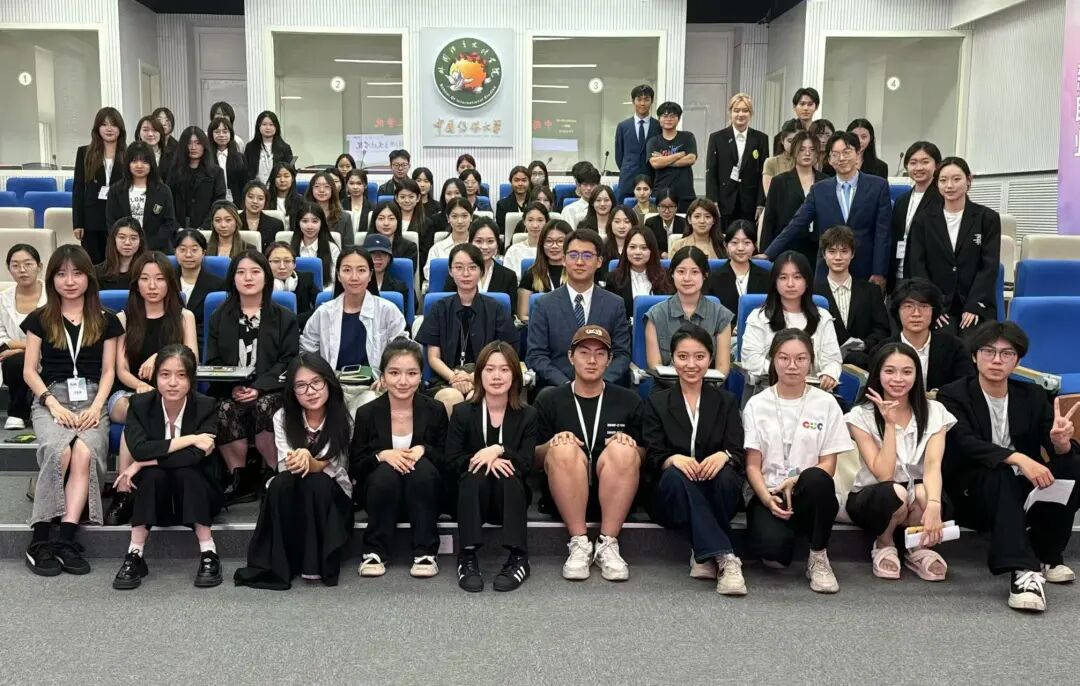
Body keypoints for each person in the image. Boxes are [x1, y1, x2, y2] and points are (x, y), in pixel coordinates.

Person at [938, 321, 1080, 612]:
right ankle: (1022, 571)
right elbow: (964, 442)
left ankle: (1047, 552)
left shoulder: (1032, 395)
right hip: (971, 491)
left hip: (1021, 487)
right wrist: (1018, 458)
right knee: (1001, 473)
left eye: (1007, 354)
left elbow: (1055, 444)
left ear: (1017, 361)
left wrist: (1061, 443)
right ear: (975, 356)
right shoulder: (953, 395)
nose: (997, 360)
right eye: (988, 352)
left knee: (1072, 465)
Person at [22, 245, 125, 576]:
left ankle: (65, 539)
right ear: (52, 278)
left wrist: (97, 407)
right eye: (62, 274)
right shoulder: (40, 318)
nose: (69, 281)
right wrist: (51, 403)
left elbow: (108, 371)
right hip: (52, 397)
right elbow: (29, 371)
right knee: (59, 451)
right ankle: (39, 539)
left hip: (93, 398)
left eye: (77, 273)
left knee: (84, 453)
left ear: (89, 277)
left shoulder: (107, 320)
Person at [233, 353, 355, 589]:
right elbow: (287, 463)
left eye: (316, 382)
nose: (310, 391)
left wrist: (308, 458)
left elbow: (328, 463)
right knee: (280, 483)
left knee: (318, 481)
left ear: (328, 382)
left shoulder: (343, 417)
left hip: (332, 493)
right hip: (295, 482)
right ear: (292, 391)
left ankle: (317, 563)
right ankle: (280, 564)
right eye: (301, 386)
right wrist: (302, 458)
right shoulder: (282, 417)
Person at [742, 328, 849, 592]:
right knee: (773, 554)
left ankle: (819, 556)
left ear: (811, 362)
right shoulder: (757, 404)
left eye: (801, 359)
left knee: (817, 478)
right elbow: (752, 465)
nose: (792, 366)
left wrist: (796, 479)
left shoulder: (826, 403)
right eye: (784, 358)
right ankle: (790, 532)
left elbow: (829, 465)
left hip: (808, 490)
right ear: (773, 360)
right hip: (771, 492)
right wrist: (767, 499)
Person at [534, 324, 644, 580]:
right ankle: (579, 542)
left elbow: (646, 455)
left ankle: (608, 543)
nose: (592, 360)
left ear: (610, 360)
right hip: (564, 499)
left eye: (600, 354)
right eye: (584, 353)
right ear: (571, 357)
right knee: (563, 447)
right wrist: (552, 445)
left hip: (616, 497)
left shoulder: (629, 401)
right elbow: (533, 458)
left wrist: (629, 444)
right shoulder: (548, 399)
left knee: (624, 448)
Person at [645, 324, 747, 593]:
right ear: (672, 358)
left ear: (710, 359)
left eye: (699, 357)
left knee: (726, 474)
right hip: (673, 495)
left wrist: (723, 455)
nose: (691, 364)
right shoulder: (656, 402)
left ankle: (702, 554)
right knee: (674, 476)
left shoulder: (726, 401)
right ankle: (725, 556)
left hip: (716, 490)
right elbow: (652, 456)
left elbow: (738, 452)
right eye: (683, 357)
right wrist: (672, 459)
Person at [110, 345, 222, 589]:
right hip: (155, 497)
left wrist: (141, 463)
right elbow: (140, 449)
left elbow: (194, 457)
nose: (172, 383)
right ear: (155, 377)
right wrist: (191, 438)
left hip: (197, 495)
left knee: (187, 471)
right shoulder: (139, 404)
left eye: (181, 375)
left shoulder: (206, 405)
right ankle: (135, 554)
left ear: (191, 379)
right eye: (165, 374)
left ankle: (208, 552)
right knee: (153, 475)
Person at [844, 342, 956, 581]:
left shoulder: (935, 411)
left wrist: (934, 504)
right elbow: (883, 474)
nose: (898, 379)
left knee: (925, 492)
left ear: (917, 375)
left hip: (917, 492)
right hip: (875, 496)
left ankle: (919, 547)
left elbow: (933, 465)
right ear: (877, 374)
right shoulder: (860, 415)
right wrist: (890, 424)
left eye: (907, 372)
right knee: (895, 492)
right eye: (889, 371)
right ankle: (884, 543)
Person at [103, 253, 198, 526]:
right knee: (136, 406)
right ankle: (124, 492)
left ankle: (129, 490)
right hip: (128, 393)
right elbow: (121, 370)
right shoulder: (123, 318)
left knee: (143, 409)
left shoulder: (184, 316)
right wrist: (141, 386)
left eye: (159, 279)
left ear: (170, 282)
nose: (152, 285)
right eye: (145, 279)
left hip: (172, 393)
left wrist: (160, 357)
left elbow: (191, 358)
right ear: (136, 283)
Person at [206, 250, 299, 504]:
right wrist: (234, 387)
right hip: (230, 390)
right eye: (241, 272)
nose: (248, 278)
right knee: (224, 408)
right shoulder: (218, 317)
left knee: (264, 406)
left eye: (255, 272)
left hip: (271, 390)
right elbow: (213, 363)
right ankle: (240, 477)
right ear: (232, 278)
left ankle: (274, 473)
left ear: (266, 277)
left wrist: (258, 388)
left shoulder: (285, 318)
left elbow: (288, 361)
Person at [350, 339, 447, 578]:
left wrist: (423, 450)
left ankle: (426, 552)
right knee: (385, 473)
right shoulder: (367, 413)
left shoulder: (435, 410)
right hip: (381, 496)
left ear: (421, 376)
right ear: (383, 376)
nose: (403, 381)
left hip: (424, 496)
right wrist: (381, 455)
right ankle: (374, 551)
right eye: (394, 373)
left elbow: (448, 461)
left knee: (421, 469)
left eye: (411, 373)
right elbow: (356, 466)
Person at [448, 342, 537, 592]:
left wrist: (499, 450)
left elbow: (526, 464)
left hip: (508, 498)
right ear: (479, 375)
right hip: (473, 498)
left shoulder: (528, 415)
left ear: (515, 376)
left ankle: (519, 557)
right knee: (474, 472)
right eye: (489, 369)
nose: (497, 376)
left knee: (510, 474)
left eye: (504, 369)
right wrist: (484, 459)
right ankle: (467, 556)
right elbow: (452, 460)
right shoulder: (462, 412)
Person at [764, 131, 892, 286]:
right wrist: (767, 254)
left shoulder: (878, 186)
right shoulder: (819, 189)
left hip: (865, 267)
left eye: (846, 152)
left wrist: (879, 271)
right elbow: (796, 224)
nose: (841, 158)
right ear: (829, 159)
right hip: (827, 269)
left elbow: (883, 233)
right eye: (835, 154)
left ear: (858, 153)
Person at [905, 157, 1001, 336]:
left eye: (956, 179)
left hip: (975, 303)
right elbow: (918, 265)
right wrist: (931, 304)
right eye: (943, 180)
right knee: (942, 342)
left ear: (969, 180)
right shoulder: (923, 220)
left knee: (974, 341)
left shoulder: (987, 218)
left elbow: (989, 266)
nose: (949, 186)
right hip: (937, 305)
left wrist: (974, 305)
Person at [526, 229, 632, 388]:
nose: (580, 262)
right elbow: (536, 356)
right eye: (573, 255)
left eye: (587, 256)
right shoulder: (544, 304)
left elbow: (622, 354)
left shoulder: (614, 304)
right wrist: (567, 385)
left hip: (604, 388)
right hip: (558, 389)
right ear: (563, 260)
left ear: (599, 262)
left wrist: (600, 384)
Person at [419, 243, 517, 414]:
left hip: (487, 378)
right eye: (459, 267)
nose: (466, 274)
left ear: (481, 271)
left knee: (476, 398)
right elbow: (433, 357)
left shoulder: (496, 309)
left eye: (472, 267)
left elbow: (506, 353)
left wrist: (472, 378)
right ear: (450, 271)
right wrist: (454, 378)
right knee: (451, 397)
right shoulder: (439, 308)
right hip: (445, 379)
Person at [301, 248, 406, 407]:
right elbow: (306, 352)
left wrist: (388, 376)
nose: (354, 277)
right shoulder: (324, 313)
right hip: (331, 386)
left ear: (370, 275)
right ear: (338, 275)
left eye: (361, 270)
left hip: (374, 386)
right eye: (347, 270)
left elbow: (402, 351)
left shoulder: (387, 310)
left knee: (366, 407)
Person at [741, 252, 842, 391]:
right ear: (775, 282)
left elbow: (833, 360)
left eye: (797, 277)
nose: (790, 284)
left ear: (807, 281)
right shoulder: (759, 317)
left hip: (813, 391)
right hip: (770, 388)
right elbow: (751, 359)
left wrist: (830, 374)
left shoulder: (823, 317)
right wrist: (787, 372)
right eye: (783, 277)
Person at [645, 246, 733, 375]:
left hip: (709, 385)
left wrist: (697, 384)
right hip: (666, 385)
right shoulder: (655, 315)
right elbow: (655, 367)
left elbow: (722, 369)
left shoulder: (721, 316)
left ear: (705, 275)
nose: (687, 278)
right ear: (672, 274)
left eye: (695, 272)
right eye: (681, 271)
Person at [814, 225, 890, 368]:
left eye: (844, 251)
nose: (838, 257)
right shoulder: (813, 293)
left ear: (852, 254)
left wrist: (864, 344)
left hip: (863, 365)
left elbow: (883, 330)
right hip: (822, 366)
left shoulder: (871, 291)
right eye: (832, 251)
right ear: (824, 254)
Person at [881, 278, 973, 393]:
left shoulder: (955, 347)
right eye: (908, 306)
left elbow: (965, 388)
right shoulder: (883, 349)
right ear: (897, 311)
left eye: (924, 306)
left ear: (934, 311)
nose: (916, 314)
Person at [0, 245, 47, 430]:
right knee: (17, 361)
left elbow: (56, 335)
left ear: (39, 266)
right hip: (13, 358)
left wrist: (20, 348)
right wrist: (25, 349)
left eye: (28, 264)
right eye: (15, 265)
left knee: (20, 357)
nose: (22, 270)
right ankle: (17, 412)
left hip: (49, 354)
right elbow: (1, 336)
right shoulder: (2, 299)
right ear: (9, 268)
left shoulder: (53, 295)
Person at [706, 93, 770, 228]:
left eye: (745, 110)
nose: (740, 114)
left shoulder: (761, 138)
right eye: (736, 110)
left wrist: (761, 203)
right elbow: (711, 171)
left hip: (750, 203)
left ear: (751, 113)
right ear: (730, 113)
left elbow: (763, 173)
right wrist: (713, 201)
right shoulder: (717, 138)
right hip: (724, 201)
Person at [761, 130, 824, 265]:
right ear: (794, 151)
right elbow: (769, 220)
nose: (807, 153)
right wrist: (765, 254)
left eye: (812, 149)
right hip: (787, 247)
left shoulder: (826, 181)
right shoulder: (779, 182)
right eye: (802, 149)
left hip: (818, 249)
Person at [73, 107, 127, 263]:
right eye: (104, 124)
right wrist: (78, 223)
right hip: (92, 218)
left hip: (119, 216)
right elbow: (78, 189)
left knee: (117, 262)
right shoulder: (84, 152)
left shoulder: (128, 153)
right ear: (97, 128)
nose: (109, 129)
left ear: (120, 129)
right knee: (93, 263)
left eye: (113, 124)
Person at [105, 141, 177, 253]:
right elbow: (111, 222)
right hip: (124, 249)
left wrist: (146, 245)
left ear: (151, 164)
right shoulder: (116, 190)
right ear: (128, 163)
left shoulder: (163, 191)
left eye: (144, 162)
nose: (139, 166)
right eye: (134, 161)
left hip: (156, 250)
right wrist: (128, 243)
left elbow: (169, 224)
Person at [889, 141, 942, 291]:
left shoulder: (942, 199)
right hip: (899, 274)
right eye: (913, 163)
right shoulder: (902, 200)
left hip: (926, 277)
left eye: (925, 162)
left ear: (937, 165)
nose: (918, 168)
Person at [439, 217, 519, 308]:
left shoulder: (509, 276)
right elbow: (447, 307)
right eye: (478, 241)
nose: (484, 247)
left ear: (497, 244)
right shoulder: (458, 272)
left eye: (490, 241)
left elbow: (510, 312)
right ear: (470, 243)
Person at [705, 220, 769, 320]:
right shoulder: (713, 278)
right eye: (734, 242)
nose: (740, 248)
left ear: (754, 246)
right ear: (726, 245)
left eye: (747, 243)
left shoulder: (767, 277)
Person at [605, 226, 672, 316]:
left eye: (644, 248)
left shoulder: (666, 276)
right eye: (632, 247)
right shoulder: (613, 279)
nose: (637, 252)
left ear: (652, 250)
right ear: (626, 249)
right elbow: (611, 314)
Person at [169, 126, 227, 229]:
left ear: (204, 145)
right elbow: (168, 203)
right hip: (178, 229)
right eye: (189, 143)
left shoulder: (216, 173)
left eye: (198, 143)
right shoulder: (174, 172)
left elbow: (218, 204)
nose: (193, 147)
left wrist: (204, 228)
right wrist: (177, 228)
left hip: (207, 229)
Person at [173, 229, 224, 342]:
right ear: (175, 252)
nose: (188, 254)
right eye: (182, 250)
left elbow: (216, 324)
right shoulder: (166, 282)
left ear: (203, 252)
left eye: (194, 250)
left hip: (203, 342)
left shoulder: (218, 285)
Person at [646, 101, 698, 212]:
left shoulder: (687, 137)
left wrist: (664, 160)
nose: (669, 119)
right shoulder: (653, 141)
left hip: (685, 194)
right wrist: (678, 155)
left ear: (678, 119)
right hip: (660, 194)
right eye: (665, 116)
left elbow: (691, 159)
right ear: (659, 119)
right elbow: (655, 163)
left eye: (673, 116)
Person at [615, 84, 660, 200]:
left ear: (652, 101)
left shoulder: (658, 126)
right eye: (639, 99)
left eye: (646, 99)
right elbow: (619, 156)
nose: (642, 103)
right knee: (624, 210)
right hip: (627, 180)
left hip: (652, 180)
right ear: (633, 101)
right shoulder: (623, 126)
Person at [517, 219, 569, 320]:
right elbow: (523, 316)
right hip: (539, 327)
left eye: (560, 241)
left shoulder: (577, 273)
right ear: (542, 244)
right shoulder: (530, 275)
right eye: (549, 241)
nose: (554, 246)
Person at [290, 201, 340, 288]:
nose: (309, 226)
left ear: (321, 223)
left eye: (315, 221)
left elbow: (335, 281)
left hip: (324, 293)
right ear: (298, 223)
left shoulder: (332, 248)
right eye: (305, 221)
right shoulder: (288, 250)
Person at [265, 242, 319, 319]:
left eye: (287, 261)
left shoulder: (306, 279)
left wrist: (293, 321)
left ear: (294, 264)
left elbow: (321, 306)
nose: (282, 267)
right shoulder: (260, 283)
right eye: (276, 261)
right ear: (267, 264)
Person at [423, 178, 468, 269]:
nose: (453, 197)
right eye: (449, 193)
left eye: (457, 193)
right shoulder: (434, 220)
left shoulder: (475, 221)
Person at [425, 198, 472, 285]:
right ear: (448, 218)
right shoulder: (437, 249)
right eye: (454, 216)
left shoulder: (478, 247)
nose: (460, 221)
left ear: (471, 217)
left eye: (464, 216)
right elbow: (429, 274)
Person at [305, 170, 354, 249]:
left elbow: (348, 249)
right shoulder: (302, 215)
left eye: (326, 186)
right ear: (311, 189)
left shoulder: (345, 218)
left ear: (332, 189)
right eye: (317, 186)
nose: (321, 190)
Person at [95, 218, 147, 291]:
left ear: (140, 242)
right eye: (122, 237)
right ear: (114, 240)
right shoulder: (96, 273)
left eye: (133, 238)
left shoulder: (147, 272)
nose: (127, 243)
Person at [370, 201, 419, 278]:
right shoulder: (366, 247)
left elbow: (406, 276)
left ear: (398, 221)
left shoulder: (409, 248)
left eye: (391, 218)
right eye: (381, 218)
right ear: (374, 221)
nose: (386, 223)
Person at [243, 111, 293, 185]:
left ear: (276, 127)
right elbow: (245, 173)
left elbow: (291, 173)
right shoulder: (250, 147)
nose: (268, 128)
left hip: (277, 188)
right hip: (256, 188)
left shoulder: (285, 148)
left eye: (271, 125)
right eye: (264, 124)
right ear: (258, 126)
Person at [504, 202, 549, 279]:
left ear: (546, 222)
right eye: (530, 220)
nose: (535, 225)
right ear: (524, 222)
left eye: (540, 220)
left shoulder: (552, 250)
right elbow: (507, 280)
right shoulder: (513, 251)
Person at [209, 116, 248, 204]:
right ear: (211, 134)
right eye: (217, 132)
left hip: (236, 203)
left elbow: (245, 184)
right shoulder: (207, 158)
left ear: (231, 134)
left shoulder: (240, 158)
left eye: (225, 132)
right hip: (213, 203)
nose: (221, 135)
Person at [239, 180, 285, 250]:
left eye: (260, 198)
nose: (255, 201)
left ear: (265, 201)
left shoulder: (276, 225)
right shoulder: (234, 222)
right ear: (244, 198)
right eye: (250, 197)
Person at [363, 233, 409, 303]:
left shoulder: (399, 288)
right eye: (372, 253)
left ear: (389, 258)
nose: (378, 257)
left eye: (383, 253)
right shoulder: (356, 285)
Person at [644, 188, 687, 257]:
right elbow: (648, 245)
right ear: (657, 207)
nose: (666, 211)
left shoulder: (684, 223)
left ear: (676, 207)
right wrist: (661, 253)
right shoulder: (650, 223)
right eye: (662, 206)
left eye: (671, 207)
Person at [762, 120, 799, 197]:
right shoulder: (771, 162)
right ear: (782, 140)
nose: (794, 145)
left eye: (798, 141)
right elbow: (769, 195)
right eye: (790, 141)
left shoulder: (808, 161)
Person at [560, 163, 601, 230]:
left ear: (599, 185)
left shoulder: (604, 208)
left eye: (592, 184)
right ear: (579, 186)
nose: (589, 188)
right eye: (585, 184)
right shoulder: (569, 210)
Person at [599, 205, 637, 270]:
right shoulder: (602, 249)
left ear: (633, 224)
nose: (622, 226)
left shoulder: (640, 249)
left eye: (627, 222)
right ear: (610, 223)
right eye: (617, 222)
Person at [496, 166, 532, 232]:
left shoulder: (535, 202)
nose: (520, 184)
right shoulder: (502, 205)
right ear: (511, 182)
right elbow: (501, 231)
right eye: (516, 180)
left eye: (524, 180)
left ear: (529, 182)